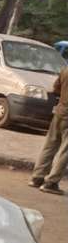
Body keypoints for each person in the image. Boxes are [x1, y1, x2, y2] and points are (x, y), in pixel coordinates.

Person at [30, 64, 68, 195]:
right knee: (65, 151)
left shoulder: (65, 69)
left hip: (60, 111)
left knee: (50, 145)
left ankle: (37, 177)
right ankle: (51, 182)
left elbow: (56, 88)